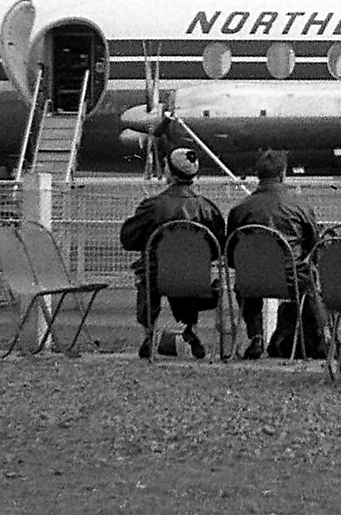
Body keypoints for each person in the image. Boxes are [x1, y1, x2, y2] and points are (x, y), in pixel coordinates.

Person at [119, 146, 227, 359]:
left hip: (157, 278)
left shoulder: (153, 206)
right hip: (196, 278)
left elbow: (128, 238)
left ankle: (149, 332)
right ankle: (190, 329)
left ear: (169, 171)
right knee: (185, 272)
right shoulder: (208, 209)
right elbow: (218, 247)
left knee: (147, 273)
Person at [226, 150, 328, 360]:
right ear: (283, 174)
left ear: (258, 175)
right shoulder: (300, 206)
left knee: (246, 285)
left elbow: (231, 254)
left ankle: (256, 336)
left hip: (250, 281)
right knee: (308, 283)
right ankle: (322, 336)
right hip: (292, 280)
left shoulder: (239, 209)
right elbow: (314, 247)